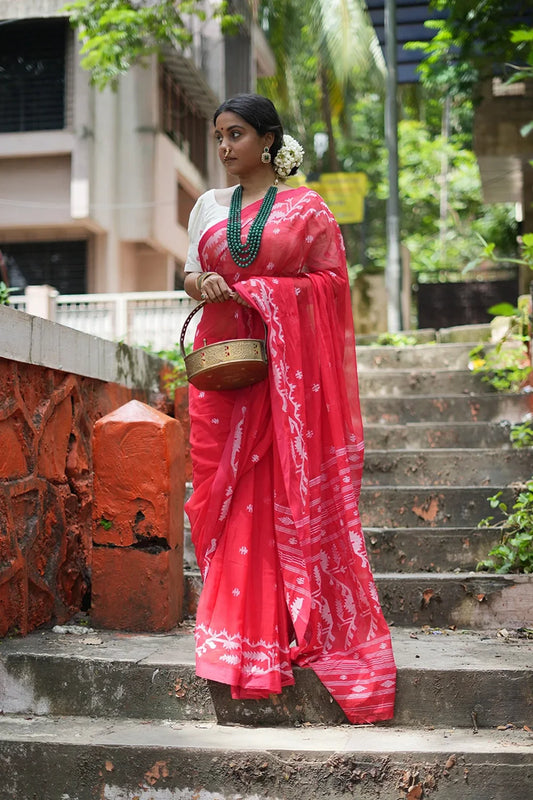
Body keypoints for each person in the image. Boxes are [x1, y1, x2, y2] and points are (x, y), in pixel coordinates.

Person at [183, 93, 396, 723]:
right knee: (228, 499)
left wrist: (266, 294)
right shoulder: (211, 208)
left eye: (237, 135)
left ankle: (284, 629)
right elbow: (190, 277)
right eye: (219, 136)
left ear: (269, 140)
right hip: (227, 374)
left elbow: (331, 285)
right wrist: (210, 284)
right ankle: (236, 638)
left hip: (288, 386)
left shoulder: (307, 208)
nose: (224, 148)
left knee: (275, 493)